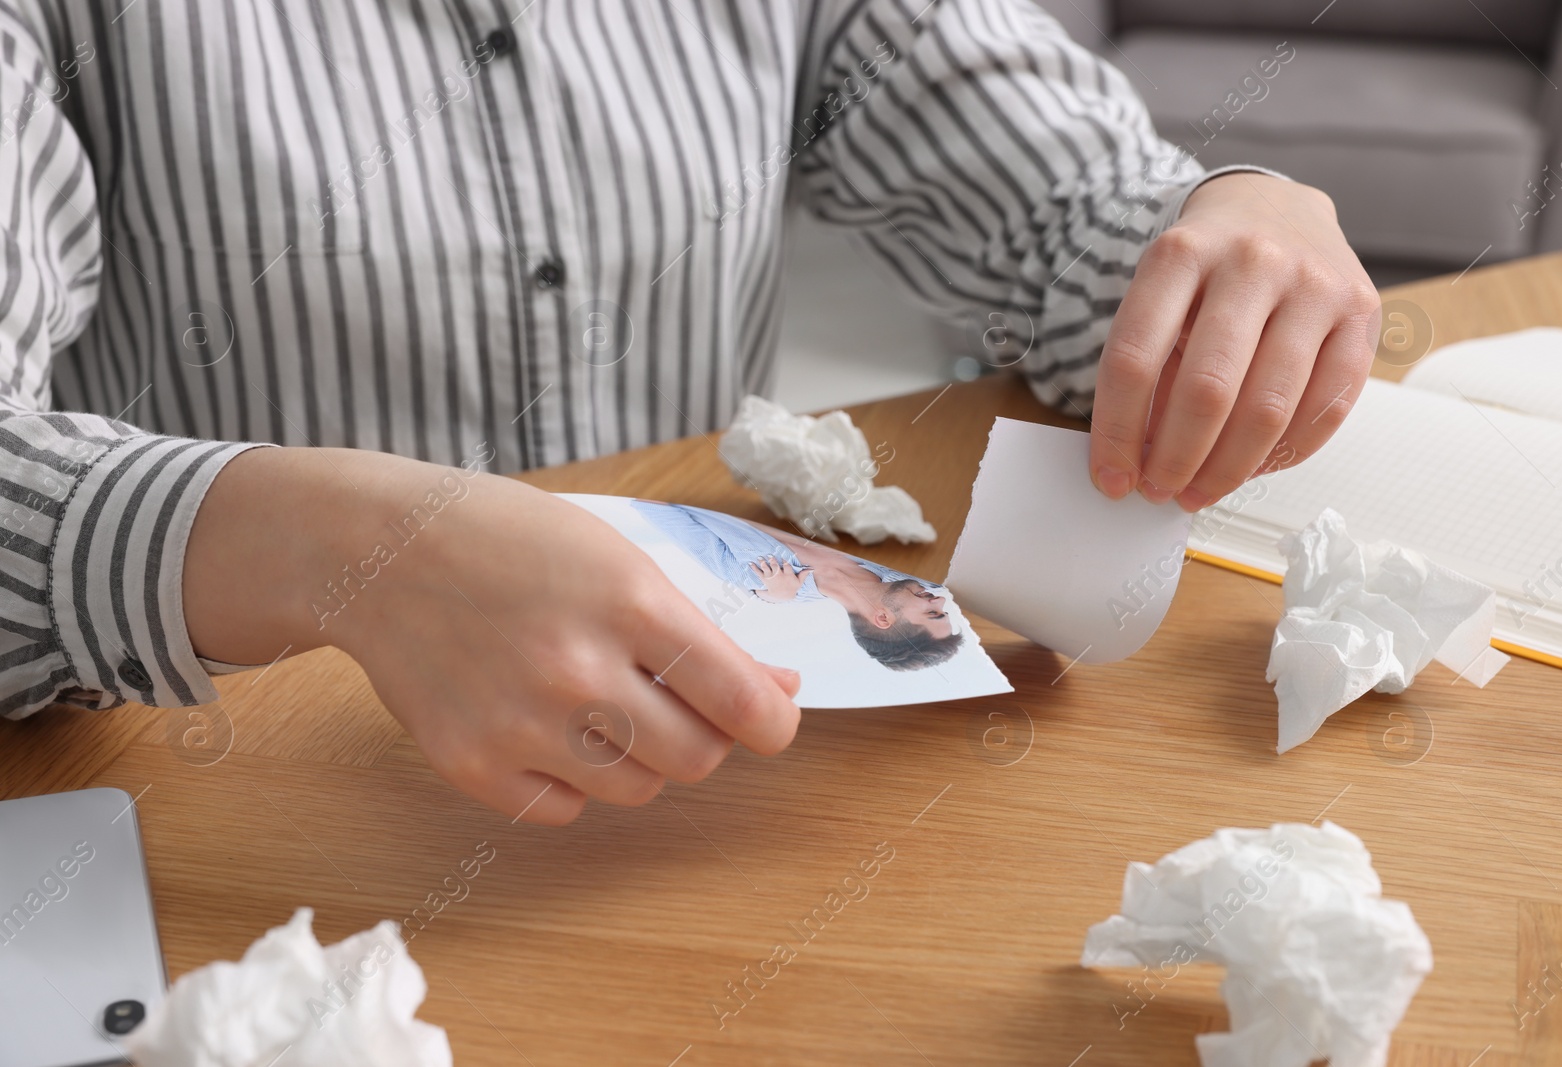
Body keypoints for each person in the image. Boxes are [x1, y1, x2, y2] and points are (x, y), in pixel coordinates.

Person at [0, 2, 1378, 826]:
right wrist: (338, 551)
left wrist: (1220, 237)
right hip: (248, 797)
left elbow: (1061, 212)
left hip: (707, 781)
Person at [631, 500, 962, 670]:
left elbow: (655, 506)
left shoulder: (755, 576)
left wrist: (764, 593)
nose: (940, 601)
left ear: (883, 619)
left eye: (932, 614)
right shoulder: (913, 560)